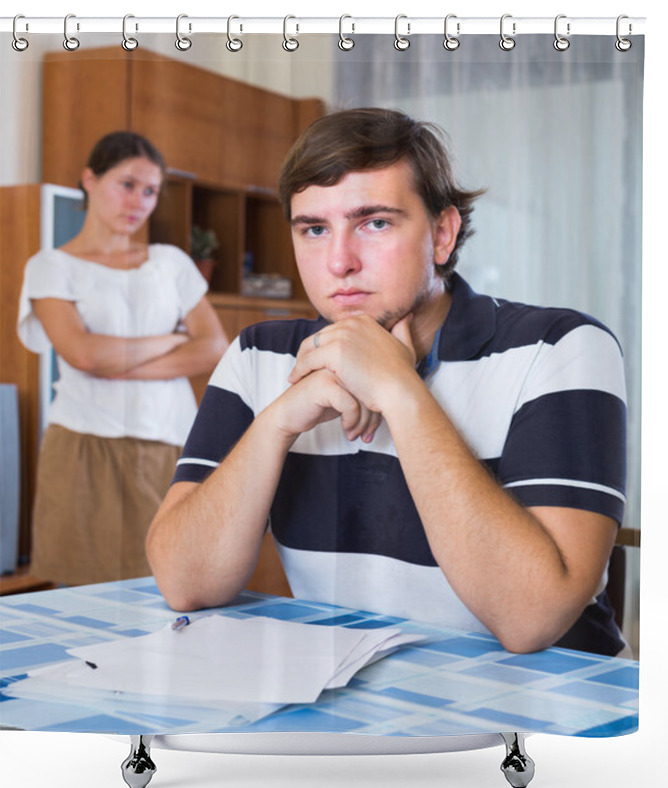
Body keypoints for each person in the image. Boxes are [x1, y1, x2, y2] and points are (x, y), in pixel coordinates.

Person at [147, 108, 629, 656]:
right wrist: (278, 421)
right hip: (355, 700)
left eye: (375, 223)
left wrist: (401, 392)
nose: (339, 263)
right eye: (314, 229)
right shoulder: (259, 354)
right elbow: (184, 584)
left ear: (442, 234)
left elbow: (531, 619)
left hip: (549, 714)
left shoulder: (561, 347)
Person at [17, 131, 228, 586]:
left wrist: (117, 360)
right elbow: (83, 354)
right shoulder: (50, 266)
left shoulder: (170, 262)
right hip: (84, 447)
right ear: (89, 179)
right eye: (127, 184)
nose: (138, 200)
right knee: (76, 592)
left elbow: (212, 346)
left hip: (170, 445)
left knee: (172, 587)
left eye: (150, 190)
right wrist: (170, 339)